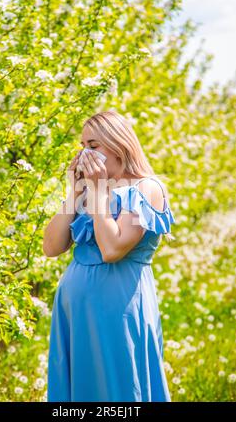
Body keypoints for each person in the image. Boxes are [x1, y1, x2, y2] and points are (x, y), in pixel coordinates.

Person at [43, 110, 176, 402]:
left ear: (118, 145)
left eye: (93, 145)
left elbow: (112, 249)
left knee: (121, 389)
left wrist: (98, 191)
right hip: (75, 313)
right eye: (82, 146)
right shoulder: (89, 191)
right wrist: (74, 191)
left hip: (118, 309)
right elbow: (51, 247)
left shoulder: (146, 189)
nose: (85, 154)